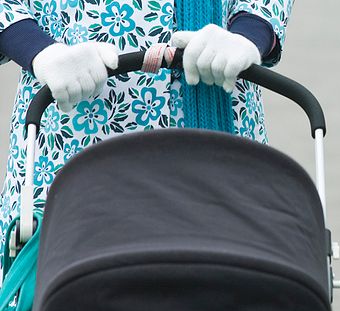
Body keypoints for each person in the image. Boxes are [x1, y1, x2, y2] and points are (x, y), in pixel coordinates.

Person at [0, 0, 293, 258]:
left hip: (215, 99)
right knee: (62, 291)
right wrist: (38, 50)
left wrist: (249, 34)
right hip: (70, 126)